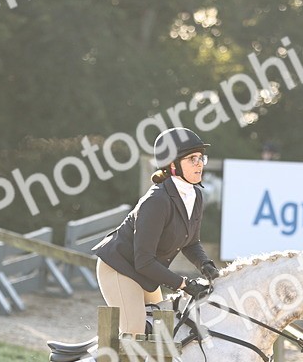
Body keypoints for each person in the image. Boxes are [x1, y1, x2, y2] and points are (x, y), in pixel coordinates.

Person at [93, 127, 220, 334]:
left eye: (201, 158)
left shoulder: (196, 195)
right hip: (119, 267)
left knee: (161, 329)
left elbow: (191, 242)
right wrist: (184, 284)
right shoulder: (156, 201)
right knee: (134, 329)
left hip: (144, 271)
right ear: (173, 165)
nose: (199, 164)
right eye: (192, 159)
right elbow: (143, 260)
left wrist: (206, 265)